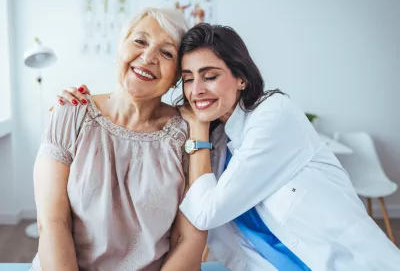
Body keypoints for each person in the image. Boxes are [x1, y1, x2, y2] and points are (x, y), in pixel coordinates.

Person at [57, 23, 400, 271]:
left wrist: (198, 128)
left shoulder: (273, 115)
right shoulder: (215, 144)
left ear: (241, 77)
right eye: (188, 78)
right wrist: (83, 101)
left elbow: (206, 212)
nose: (196, 90)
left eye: (210, 75)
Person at [30, 7, 207, 271]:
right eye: (140, 41)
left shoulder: (189, 135)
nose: (148, 56)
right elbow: (52, 222)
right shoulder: (71, 113)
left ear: (176, 79)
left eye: (167, 52)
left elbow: (189, 240)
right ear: (120, 48)